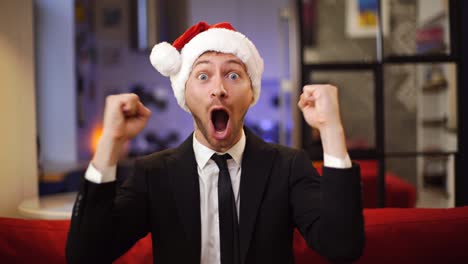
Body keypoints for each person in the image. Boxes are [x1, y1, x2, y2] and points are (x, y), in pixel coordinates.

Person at [66, 21, 364, 264]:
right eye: (203, 76)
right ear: (185, 95)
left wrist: (331, 130)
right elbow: (86, 254)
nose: (218, 89)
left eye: (233, 75)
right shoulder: (153, 174)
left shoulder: (287, 166)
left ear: (251, 93)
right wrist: (110, 142)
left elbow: (342, 246)